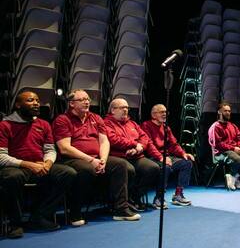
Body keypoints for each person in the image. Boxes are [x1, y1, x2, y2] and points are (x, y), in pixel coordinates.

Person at [53, 89, 138, 223]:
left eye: (88, 99)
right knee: (86, 169)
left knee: (120, 164)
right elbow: (64, 148)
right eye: (82, 100)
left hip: (96, 157)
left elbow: (104, 141)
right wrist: (91, 160)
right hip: (73, 159)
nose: (86, 102)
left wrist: (103, 160)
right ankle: (74, 212)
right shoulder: (62, 120)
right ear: (72, 104)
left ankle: (121, 209)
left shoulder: (95, 118)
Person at [0, 91, 76, 238]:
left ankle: (40, 216)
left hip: (40, 165)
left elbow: (49, 150)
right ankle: (15, 223)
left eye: (37, 100)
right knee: (11, 178)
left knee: (67, 173)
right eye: (30, 100)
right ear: (18, 105)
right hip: (16, 167)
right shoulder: (5, 125)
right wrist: (28, 164)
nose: (36, 103)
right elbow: (1, 156)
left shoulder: (43, 124)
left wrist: (48, 163)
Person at [104, 98, 161, 210]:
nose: (125, 110)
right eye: (122, 107)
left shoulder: (132, 123)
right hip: (119, 156)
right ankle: (123, 200)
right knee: (129, 170)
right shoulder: (107, 123)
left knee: (153, 168)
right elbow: (113, 139)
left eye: (127, 107)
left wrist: (138, 149)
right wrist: (134, 144)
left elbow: (145, 138)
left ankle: (134, 196)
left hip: (136, 156)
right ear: (113, 110)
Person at [141, 104, 195, 205]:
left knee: (187, 163)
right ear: (154, 114)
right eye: (162, 112)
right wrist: (161, 157)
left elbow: (174, 144)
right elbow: (149, 145)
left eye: (165, 112)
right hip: (152, 157)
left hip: (166, 156)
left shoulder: (166, 128)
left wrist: (183, 153)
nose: (165, 114)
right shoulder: (146, 125)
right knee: (166, 167)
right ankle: (159, 197)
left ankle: (178, 195)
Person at [210, 101, 240, 191]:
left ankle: (234, 176)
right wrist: (233, 148)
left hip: (235, 149)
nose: (228, 113)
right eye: (225, 111)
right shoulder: (215, 127)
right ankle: (233, 177)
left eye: (229, 111)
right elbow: (218, 144)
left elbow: (239, 138)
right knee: (238, 159)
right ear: (219, 112)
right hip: (221, 152)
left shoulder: (233, 125)